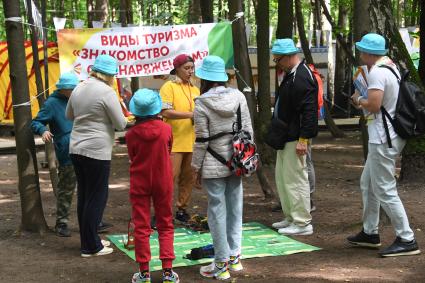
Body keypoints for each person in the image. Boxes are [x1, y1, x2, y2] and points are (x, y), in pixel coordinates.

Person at [347, 33, 420, 257]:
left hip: (382, 137)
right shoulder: (390, 66)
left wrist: (358, 100)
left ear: (369, 53)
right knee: (368, 182)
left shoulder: (377, 72)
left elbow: (375, 105)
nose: (359, 53)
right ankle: (370, 232)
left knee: (384, 188)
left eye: (361, 50)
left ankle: (407, 238)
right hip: (387, 135)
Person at [192, 55, 253, 280]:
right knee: (235, 207)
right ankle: (235, 258)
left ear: (205, 78)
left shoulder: (201, 103)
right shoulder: (238, 97)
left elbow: (201, 140)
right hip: (237, 160)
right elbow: (247, 130)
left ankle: (220, 264)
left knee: (216, 211)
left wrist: (195, 167)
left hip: (211, 162)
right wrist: (246, 159)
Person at [66, 54, 127, 257]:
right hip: (97, 150)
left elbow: (69, 115)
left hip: (76, 147)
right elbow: (120, 124)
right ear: (109, 75)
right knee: (97, 197)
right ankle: (91, 247)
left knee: (84, 196)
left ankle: (88, 241)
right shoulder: (106, 91)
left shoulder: (79, 87)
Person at [126, 89, 179, 283]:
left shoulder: (131, 134)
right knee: (165, 223)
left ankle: (144, 273)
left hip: (139, 181)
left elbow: (133, 156)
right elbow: (169, 148)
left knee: (141, 225)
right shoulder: (166, 129)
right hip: (163, 180)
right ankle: (167, 272)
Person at [270, 38, 318, 236]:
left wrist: (303, 139)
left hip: (295, 136)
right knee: (283, 177)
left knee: (295, 179)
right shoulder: (292, 74)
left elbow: (309, 111)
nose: (277, 63)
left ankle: (302, 222)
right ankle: (290, 216)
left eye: (279, 59)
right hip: (286, 134)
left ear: (290, 56)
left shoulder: (302, 76)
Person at [31, 73, 78, 237]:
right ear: (64, 89)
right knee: (66, 189)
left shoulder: (77, 99)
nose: (75, 90)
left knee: (89, 188)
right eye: (72, 88)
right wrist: (43, 130)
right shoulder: (52, 103)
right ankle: (62, 223)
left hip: (85, 148)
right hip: (67, 152)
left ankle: (94, 220)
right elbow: (36, 122)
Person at [160, 54, 200, 223]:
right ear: (177, 68)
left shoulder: (195, 89)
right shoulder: (169, 87)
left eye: (192, 68)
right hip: (174, 141)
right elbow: (165, 112)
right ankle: (162, 212)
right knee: (169, 178)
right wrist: (190, 114)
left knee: (188, 178)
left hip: (192, 141)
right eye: (186, 68)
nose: (190, 71)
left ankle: (182, 209)